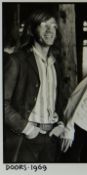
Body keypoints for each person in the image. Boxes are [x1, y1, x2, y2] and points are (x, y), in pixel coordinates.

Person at [4, 10, 65, 163]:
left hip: (51, 137)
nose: (50, 30)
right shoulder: (17, 60)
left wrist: (60, 123)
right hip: (26, 137)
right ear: (32, 30)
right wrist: (28, 129)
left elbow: (59, 98)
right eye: (44, 25)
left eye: (53, 26)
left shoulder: (55, 63)